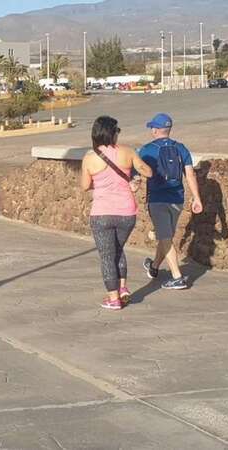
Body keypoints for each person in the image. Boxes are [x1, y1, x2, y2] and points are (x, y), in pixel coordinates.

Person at [81, 116, 153, 310]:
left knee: (107, 256)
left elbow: (85, 185)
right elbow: (148, 172)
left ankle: (113, 299)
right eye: (117, 131)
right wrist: (134, 178)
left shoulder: (89, 158)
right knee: (118, 250)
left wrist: (102, 180)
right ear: (112, 133)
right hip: (126, 213)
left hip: (102, 213)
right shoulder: (128, 152)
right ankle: (122, 288)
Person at [139, 113, 203, 290]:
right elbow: (190, 174)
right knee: (165, 236)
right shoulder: (181, 148)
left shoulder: (146, 150)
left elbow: (137, 172)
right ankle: (154, 267)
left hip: (158, 199)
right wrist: (197, 198)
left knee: (165, 237)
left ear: (155, 130)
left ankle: (177, 277)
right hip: (177, 198)